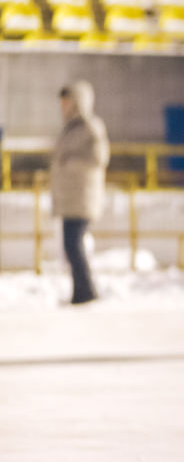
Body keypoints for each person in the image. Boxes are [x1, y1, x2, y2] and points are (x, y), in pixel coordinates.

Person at [50, 80, 110, 305]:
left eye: (66, 102)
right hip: (71, 197)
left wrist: (69, 162)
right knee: (71, 245)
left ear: (77, 103)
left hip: (82, 197)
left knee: (73, 244)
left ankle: (86, 291)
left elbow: (99, 157)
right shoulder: (71, 127)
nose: (62, 107)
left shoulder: (89, 126)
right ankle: (82, 291)